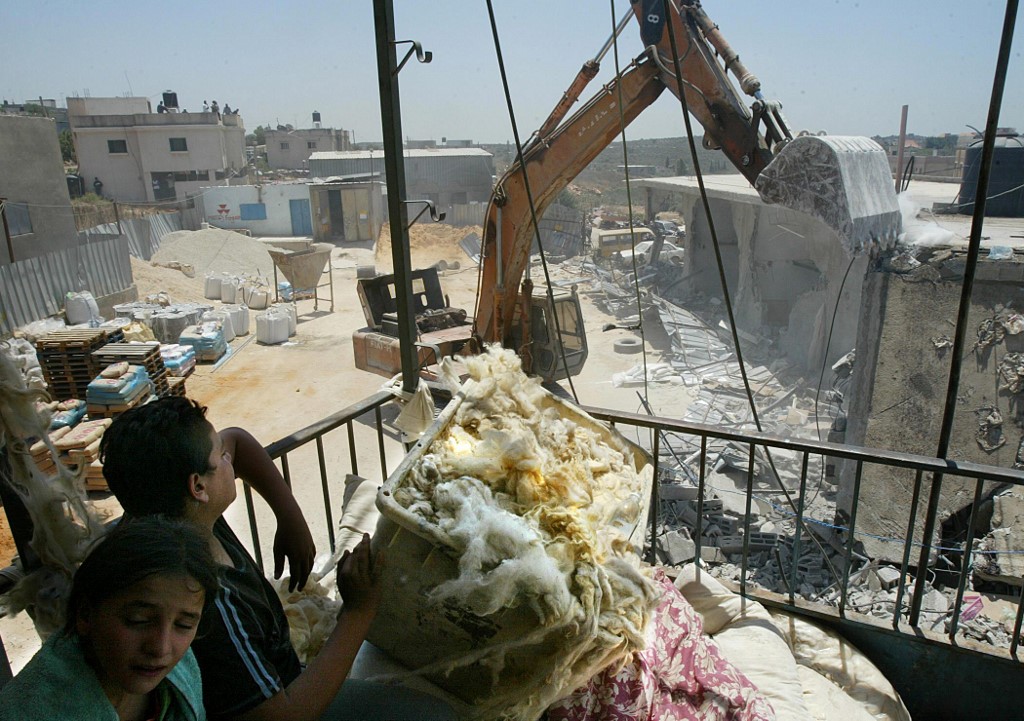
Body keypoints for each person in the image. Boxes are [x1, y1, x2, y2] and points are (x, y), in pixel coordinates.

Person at [99, 397, 455, 721]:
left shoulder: (176, 517)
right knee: (438, 715)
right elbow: (284, 715)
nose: (229, 457)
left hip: (281, 678)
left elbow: (237, 439)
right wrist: (358, 612)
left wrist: (290, 516)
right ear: (198, 487)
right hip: (287, 699)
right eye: (219, 456)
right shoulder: (208, 602)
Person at [0, 515, 219, 721]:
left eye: (184, 625)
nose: (160, 648)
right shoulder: (29, 711)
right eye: (138, 620)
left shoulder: (180, 676)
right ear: (85, 614)